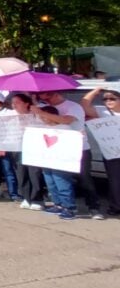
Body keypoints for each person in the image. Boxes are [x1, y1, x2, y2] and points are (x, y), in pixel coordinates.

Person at [35, 91, 100, 220]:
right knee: (52, 179)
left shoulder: (73, 107)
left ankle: (93, 207)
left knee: (84, 179)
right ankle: (58, 204)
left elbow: (66, 120)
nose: (45, 100)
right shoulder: (45, 107)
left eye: (47, 96)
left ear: (56, 94)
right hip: (53, 153)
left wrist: (41, 112)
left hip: (79, 149)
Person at [32, 105, 78, 220]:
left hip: (60, 161)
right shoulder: (42, 128)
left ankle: (69, 207)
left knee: (62, 183)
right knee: (50, 183)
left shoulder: (65, 128)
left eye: (45, 116)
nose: (43, 119)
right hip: (47, 160)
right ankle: (58, 204)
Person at [80, 87, 120, 216]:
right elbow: (85, 104)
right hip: (112, 153)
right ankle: (116, 207)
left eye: (112, 98)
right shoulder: (102, 112)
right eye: (105, 99)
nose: (108, 101)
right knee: (115, 181)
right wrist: (96, 90)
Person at [13, 94, 46, 210]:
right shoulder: (11, 116)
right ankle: (26, 197)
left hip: (34, 148)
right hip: (19, 148)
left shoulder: (36, 115)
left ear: (26, 104)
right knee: (21, 174)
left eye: (17, 102)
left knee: (34, 173)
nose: (14, 105)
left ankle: (37, 199)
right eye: (13, 103)